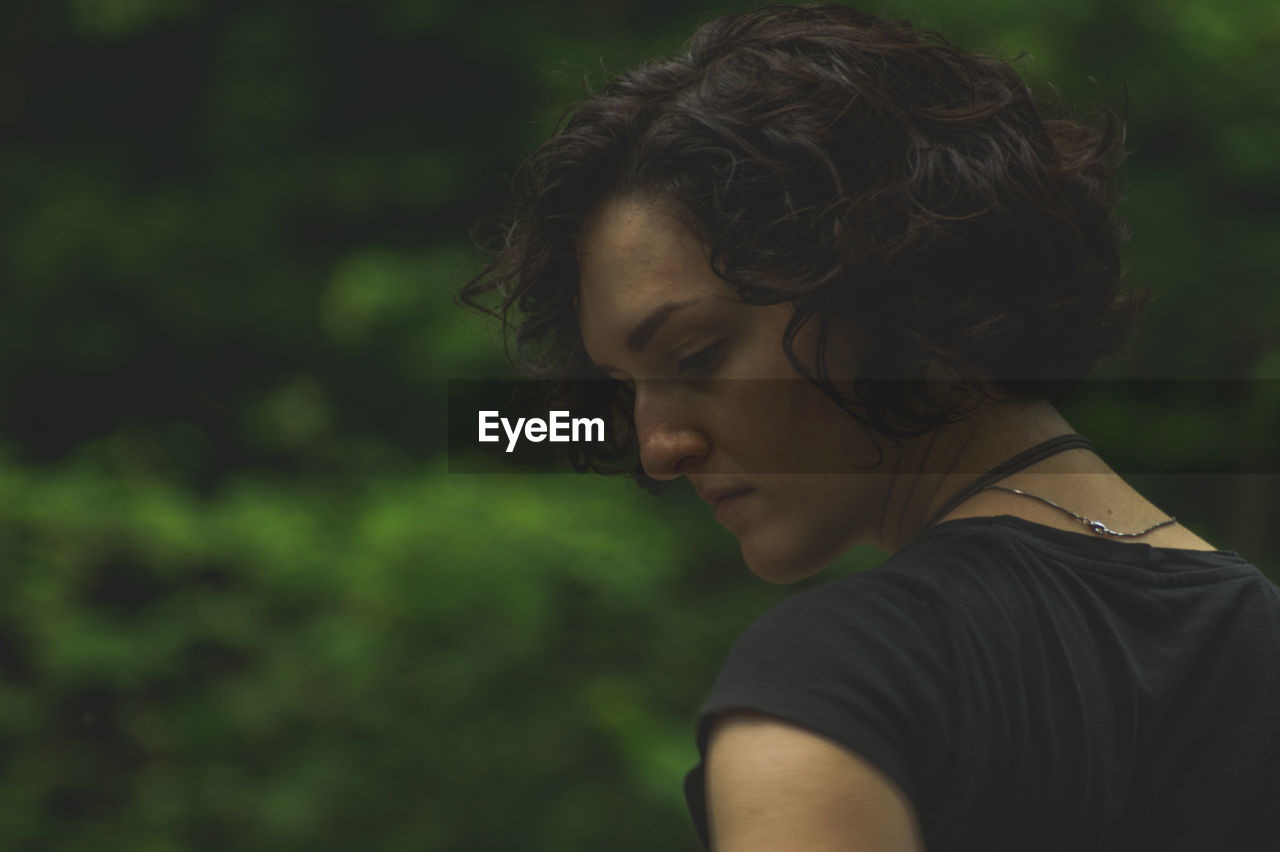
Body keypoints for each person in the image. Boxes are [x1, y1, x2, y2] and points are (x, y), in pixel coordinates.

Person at [459, 5, 1280, 850]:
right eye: (625, 391)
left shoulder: (844, 683)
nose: (660, 448)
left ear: (888, 278)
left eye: (697, 355)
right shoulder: (1257, 639)